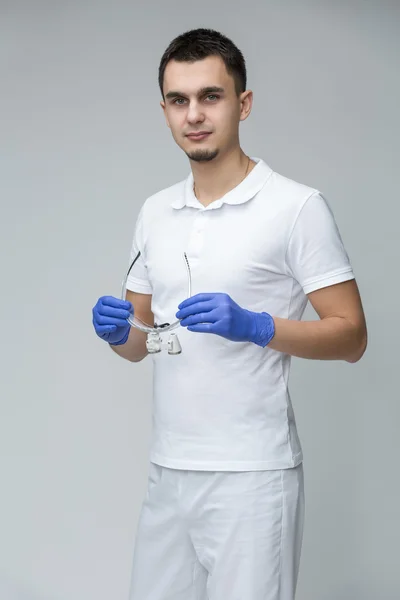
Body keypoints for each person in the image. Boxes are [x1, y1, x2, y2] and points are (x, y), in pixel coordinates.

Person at [92, 28, 367, 600]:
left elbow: (352, 336)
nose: (194, 114)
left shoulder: (296, 208)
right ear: (165, 111)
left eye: (210, 96)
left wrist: (259, 326)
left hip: (252, 476)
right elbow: (139, 339)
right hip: (167, 472)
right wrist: (116, 331)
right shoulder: (155, 211)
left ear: (243, 103)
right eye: (178, 100)